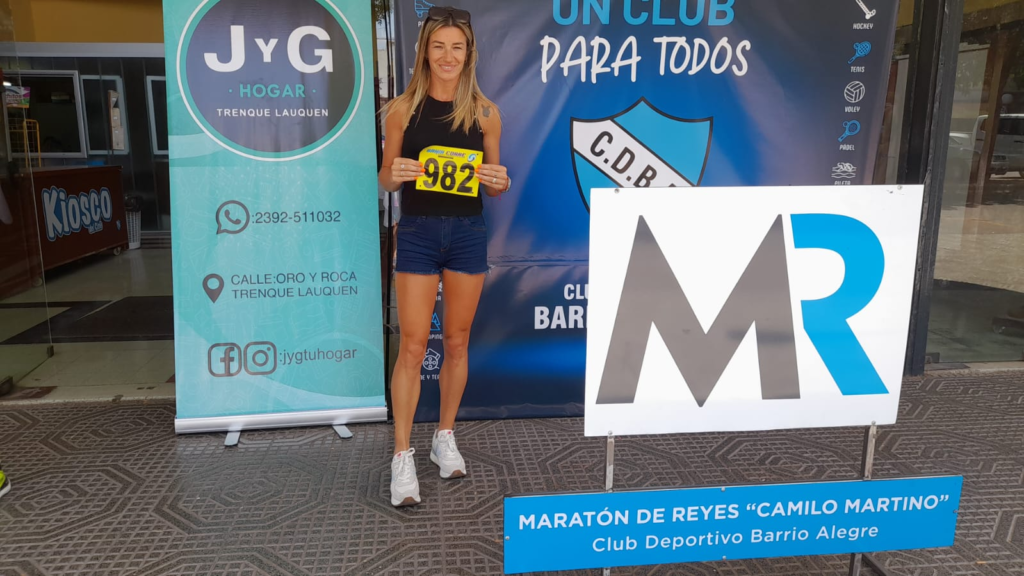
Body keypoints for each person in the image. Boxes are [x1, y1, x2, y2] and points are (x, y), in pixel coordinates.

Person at [378, 5, 510, 507]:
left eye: (457, 47)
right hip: (417, 232)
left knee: (456, 342)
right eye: (439, 46)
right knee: (413, 347)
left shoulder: (485, 113)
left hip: (467, 234)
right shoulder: (401, 110)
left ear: (469, 53)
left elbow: (493, 183)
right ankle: (401, 454)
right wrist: (395, 173)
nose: (448, 56)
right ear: (425, 52)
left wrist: (499, 181)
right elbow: (386, 178)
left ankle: (444, 436)